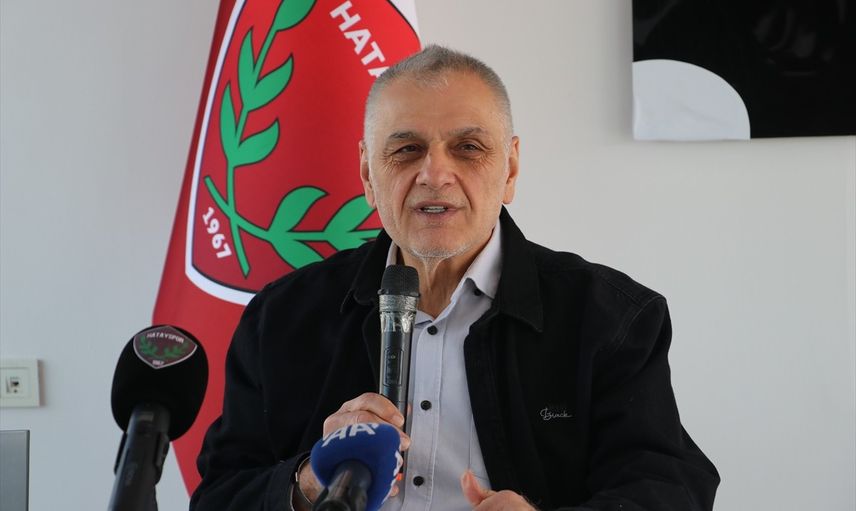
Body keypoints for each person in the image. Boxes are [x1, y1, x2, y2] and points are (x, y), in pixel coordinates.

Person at [190, 45, 720, 511]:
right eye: (406, 149)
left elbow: (670, 490)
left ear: (510, 169)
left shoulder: (610, 317)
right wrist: (308, 481)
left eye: (468, 148)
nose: (435, 174)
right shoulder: (281, 318)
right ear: (368, 174)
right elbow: (218, 495)